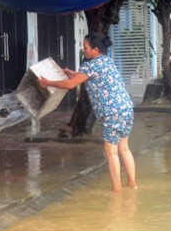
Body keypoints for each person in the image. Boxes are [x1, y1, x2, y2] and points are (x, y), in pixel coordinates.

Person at [38, 32, 137, 191]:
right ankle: (132, 184)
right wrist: (73, 74)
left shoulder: (90, 65)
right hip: (126, 108)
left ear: (95, 50)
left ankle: (117, 190)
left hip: (112, 112)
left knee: (111, 152)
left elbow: (70, 85)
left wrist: (46, 82)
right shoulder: (107, 61)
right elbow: (86, 77)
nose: (83, 50)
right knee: (124, 148)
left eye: (85, 47)